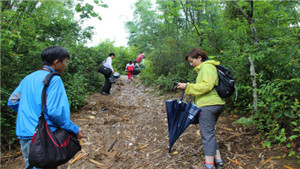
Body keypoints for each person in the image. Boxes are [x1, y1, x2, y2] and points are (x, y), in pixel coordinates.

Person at [7, 46, 84, 169]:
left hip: (24, 134)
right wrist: (74, 129)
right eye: (65, 61)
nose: (65, 65)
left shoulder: (28, 78)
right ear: (56, 62)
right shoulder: (54, 79)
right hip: (43, 137)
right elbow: (55, 112)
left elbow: (12, 101)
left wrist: (30, 112)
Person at [177, 49, 225, 169]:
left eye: (192, 61)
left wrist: (187, 86)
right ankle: (218, 161)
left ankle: (209, 165)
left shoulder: (207, 67)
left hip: (209, 105)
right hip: (214, 104)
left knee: (207, 135)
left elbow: (207, 86)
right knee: (210, 133)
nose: (191, 64)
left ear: (199, 57)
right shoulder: (207, 68)